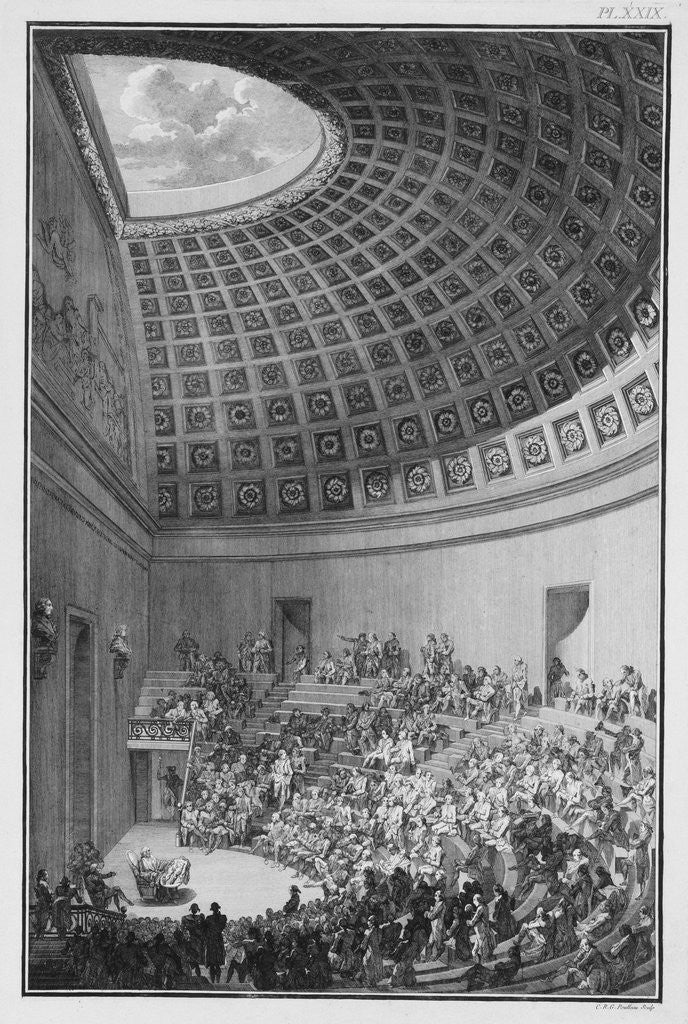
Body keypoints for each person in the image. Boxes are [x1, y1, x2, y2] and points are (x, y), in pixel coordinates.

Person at [53, 875, 83, 939]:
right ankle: (62, 936)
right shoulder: (72, 890)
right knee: (65, 923)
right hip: (65, 908)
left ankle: (60, 936)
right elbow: (79, 900)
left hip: (58, 907)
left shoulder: (58, 888)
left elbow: (54, 899)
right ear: (68, 883)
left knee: (59, 923)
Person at [204, 902, 227, 984]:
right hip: (211, 942)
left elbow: (220, 927)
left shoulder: (222, 917)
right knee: (212, 964)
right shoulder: (209, 918)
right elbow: (205, 929)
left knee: (216, 964)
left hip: (216, 942)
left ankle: (217, 982)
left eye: (215, 908)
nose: (215, 910)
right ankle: (213, 982)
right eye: (214, 908)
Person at [33, 868, 53, 938]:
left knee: (38, 920)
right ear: (43, 876)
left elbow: (37, 895)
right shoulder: (44, 884)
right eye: (46, 874)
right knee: (43, 920)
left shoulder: (38, 884)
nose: (47, 876)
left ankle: (37, 936)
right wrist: (51, 896)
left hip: (39, 903)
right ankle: (41, 937)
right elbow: (48, 894)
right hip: (44, 904)